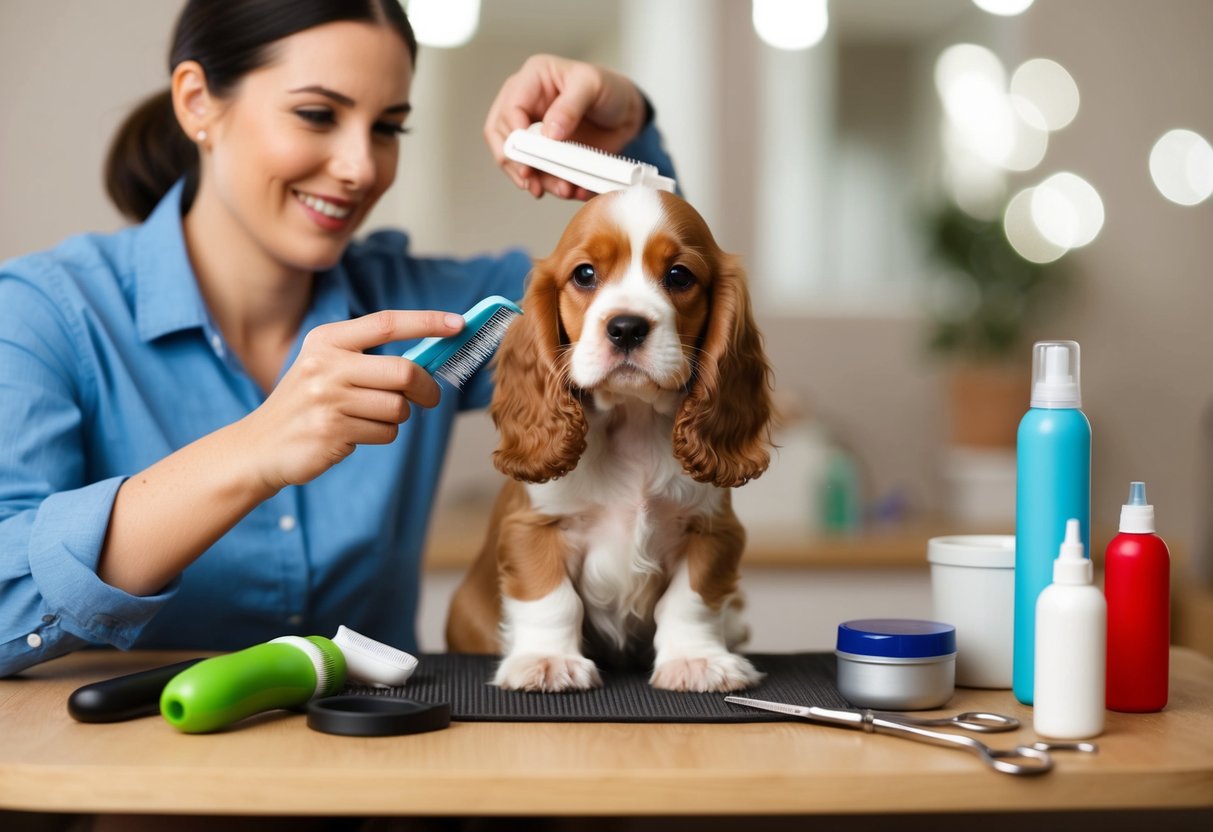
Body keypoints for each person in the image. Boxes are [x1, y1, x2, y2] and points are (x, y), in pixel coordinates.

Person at [0, 0, 675, 677]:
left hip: (382, 750)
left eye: (387, 128)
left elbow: (668, 291)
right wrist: (253, 451)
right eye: (317, 114)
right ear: (198, 101)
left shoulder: (445, 310)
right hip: (118, 763)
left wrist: (627, 133)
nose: (360, 168)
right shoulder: (45, 315)